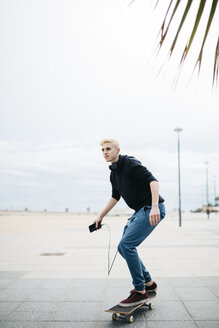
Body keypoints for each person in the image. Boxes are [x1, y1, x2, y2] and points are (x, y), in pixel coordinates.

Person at [94, 138, 165, 307]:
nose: (105, 152)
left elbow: (153, 181)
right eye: (102, 150)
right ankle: (148, 283)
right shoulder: (113, 173)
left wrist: (155, 206)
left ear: (117, 150)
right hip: (140, 211)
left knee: (127, 245)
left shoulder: (129, 162)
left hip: (150, 209)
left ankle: (140, 291)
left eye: (108, 149)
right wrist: (100, 216)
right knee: (122, 247)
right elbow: (115, 196)